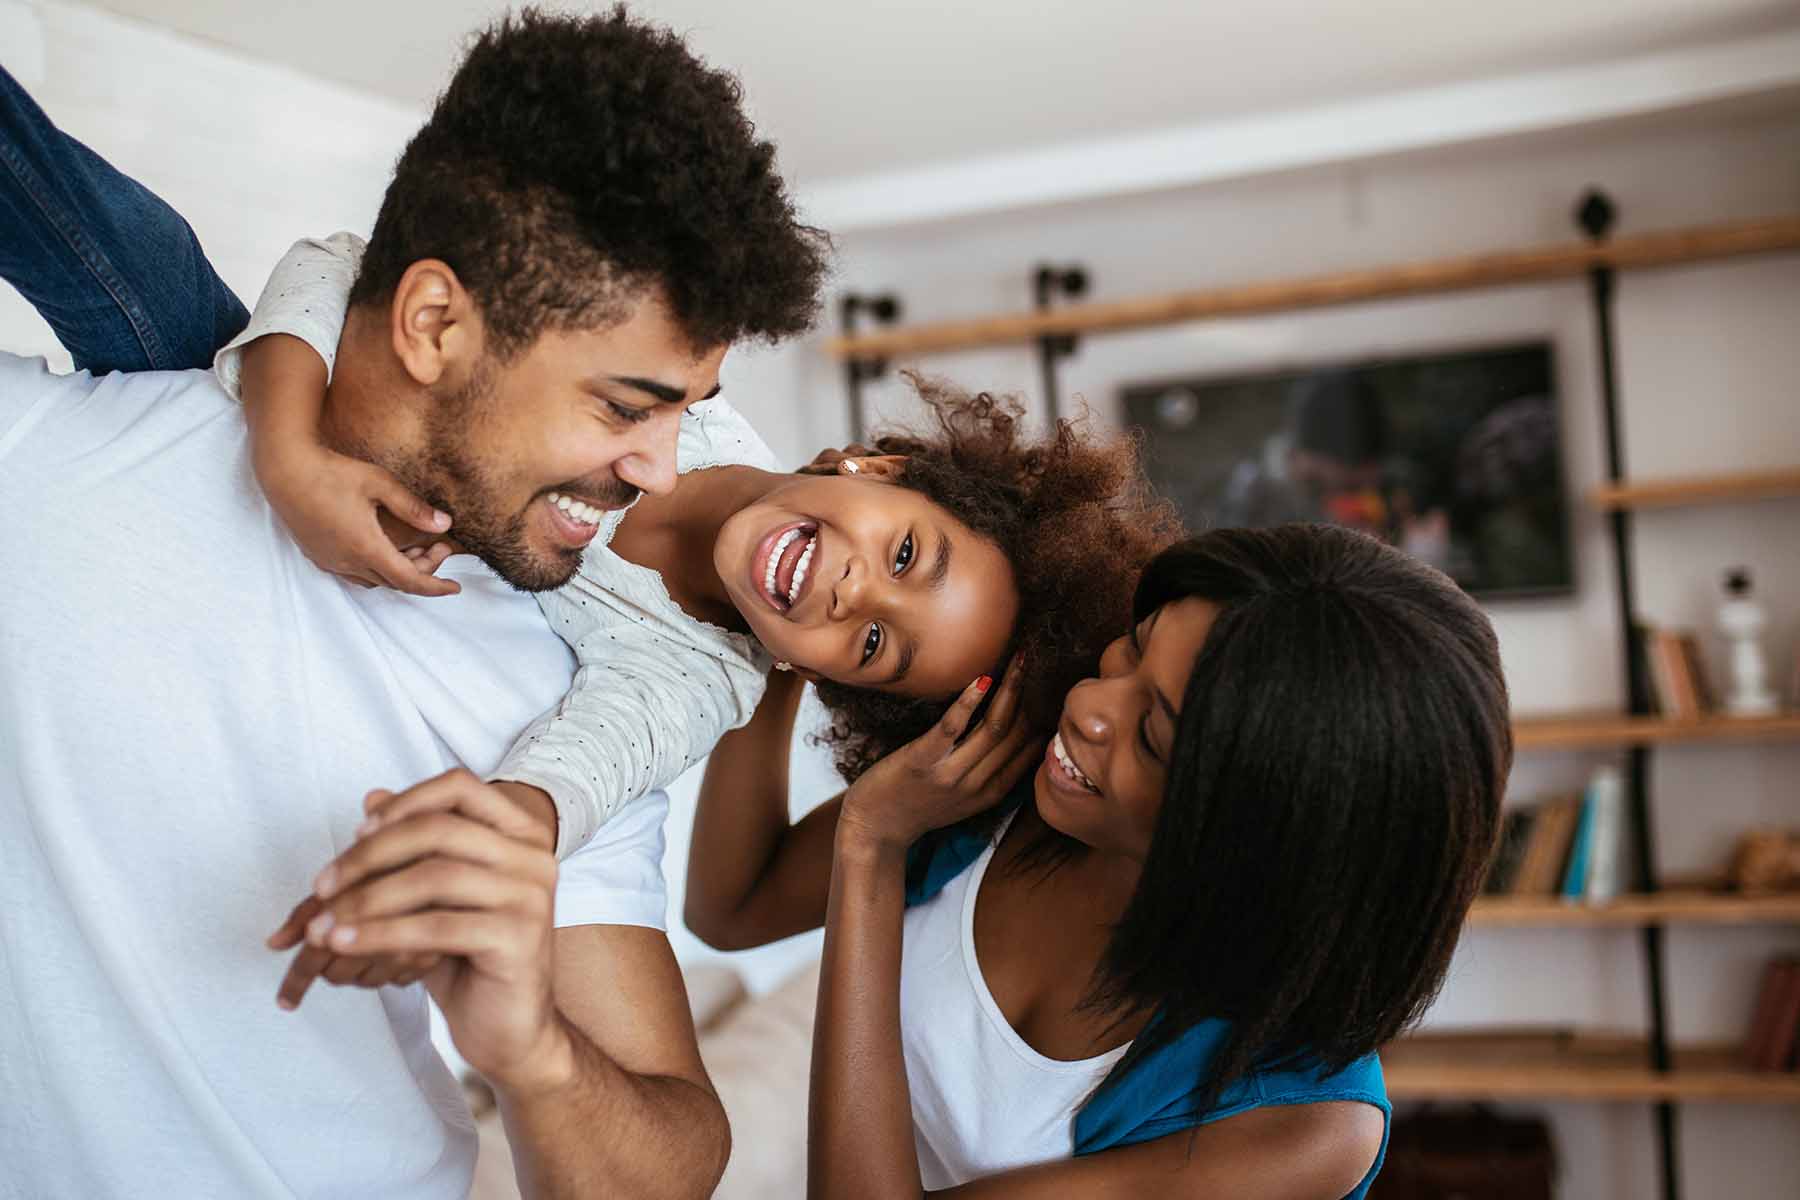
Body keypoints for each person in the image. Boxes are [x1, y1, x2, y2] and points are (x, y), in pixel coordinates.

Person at [0, 10, 827, 1197]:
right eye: (623, 406)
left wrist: (534, 1050)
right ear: (434, 323)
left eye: (681, 410)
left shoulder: (565, 694)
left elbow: (675, 1168)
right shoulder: (55, 450)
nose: (660, 465)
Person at [687, 524, 1511, 1198]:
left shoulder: (1299, 1129)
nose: (1086, 705)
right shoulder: (1014, 791)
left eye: (1151, 735)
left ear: (1263, 839)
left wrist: (869, 848)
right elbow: (731, 905)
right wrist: (775, 629)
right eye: (1131, 647)